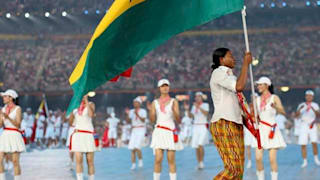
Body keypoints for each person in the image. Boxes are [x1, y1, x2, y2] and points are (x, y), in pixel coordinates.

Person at [210, 48, 252, 180]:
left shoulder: (231, 77)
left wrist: (250, 118)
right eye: (230, 56)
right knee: (232, 168)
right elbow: (239, 87)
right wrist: (246, 64)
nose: (234, 59)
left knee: (238, 171)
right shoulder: (218, 73)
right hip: (224, 122)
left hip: (236, 123)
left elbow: (238, 103)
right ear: (221, 60)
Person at [252, 77, 287, 180]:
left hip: (271, 129)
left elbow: (283, 112)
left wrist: (275, 107)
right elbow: (254, 115)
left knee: (272, 159)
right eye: (257, 85)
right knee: (258, 158)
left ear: (266, 85)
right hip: (260, 129)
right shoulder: (256, 100)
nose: (258, 87)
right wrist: (254, 118)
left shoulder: (274, 98)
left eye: (260, 84)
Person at [149, 79, 183, 180]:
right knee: (158, 158)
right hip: (159, 131)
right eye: (163, 86)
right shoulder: (154, 102)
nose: (165, 88)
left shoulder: (174, 101)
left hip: (170, 131)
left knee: (171, 159)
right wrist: (151, 112)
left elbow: (178, 119)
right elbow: (152, 120)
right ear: (159, 88)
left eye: (166, 86)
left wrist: (174, 111)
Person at [0, 89, 26, 180]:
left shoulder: (18, 109)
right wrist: (1, 117)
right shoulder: (3, 109)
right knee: (0, 159)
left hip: (14, 134)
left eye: (5, 96)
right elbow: (0, 125)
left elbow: (18, 124)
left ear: (11, 98)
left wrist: (7, 117)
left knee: (15, 161)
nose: (3, 98)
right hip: (5, 134)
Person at [69, 95, 96, 180]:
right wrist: (71, 113)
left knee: (90, 161)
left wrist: (86, 101)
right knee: (79, 160)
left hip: (88, 135)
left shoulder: (91, 104)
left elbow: (91, 114)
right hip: (78, 135)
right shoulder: (75, 108)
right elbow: (70, 123)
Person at [295, 90, 320, 168]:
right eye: (307, 96)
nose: (308, 97)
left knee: (314, 142)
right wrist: (300, 109)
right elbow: (296, 115)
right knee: (303, 143)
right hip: (304, 125)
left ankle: (316, 159)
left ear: (312, 97)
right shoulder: (301, 105)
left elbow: (318, 115)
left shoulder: (315, 105)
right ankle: (304, 161)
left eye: (310, 96)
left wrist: (312, 109)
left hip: (312, 125)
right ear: (305, 96)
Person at [185, 91, 209, 169]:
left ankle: (202, 162)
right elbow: (191, 116)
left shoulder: (205, 105)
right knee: (196, 146)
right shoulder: (194, 106)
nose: (197, 98)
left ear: (201, 98)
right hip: (195, 127)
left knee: (200, 144)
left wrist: (198, 107)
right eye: (196, 97)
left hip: (202, 126)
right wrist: (187, 110)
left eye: (199, 96)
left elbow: (206, 113)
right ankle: (199, 162)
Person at [126, 97, 147, 170]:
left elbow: (143, 120)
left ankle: (140, 161)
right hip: (134, 129)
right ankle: (133, 164)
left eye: (136, 102)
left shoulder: (143, 111)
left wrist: (137, 114)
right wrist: (127, 114)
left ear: (139, 103)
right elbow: (128, 121)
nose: (135, 104)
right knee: (132, 148)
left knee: (137, 147)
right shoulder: (131, 111)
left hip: (141, 129)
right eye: (134, 102)